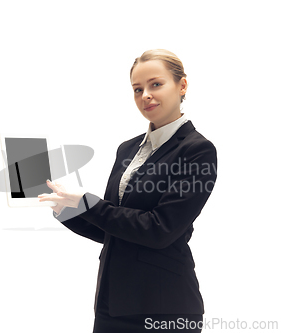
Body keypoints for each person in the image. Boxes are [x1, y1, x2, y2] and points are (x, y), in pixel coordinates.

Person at [38, 49, 217, 333]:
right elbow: (114, 228)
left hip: (164, 306)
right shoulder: (128, 148)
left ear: (182, 86)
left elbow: (160, 229)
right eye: (137, 89)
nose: (145, 95)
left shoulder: (197, 151)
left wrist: (89, 203)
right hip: (113, 301)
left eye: (155, 84)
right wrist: (67, 210)